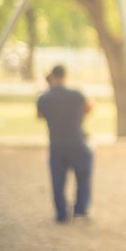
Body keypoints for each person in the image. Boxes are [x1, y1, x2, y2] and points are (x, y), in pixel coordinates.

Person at [37, 64, 94, 223]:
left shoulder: (44, 97)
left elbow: (39, 115)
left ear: (52, 77)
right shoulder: (75, 94)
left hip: (56, 143)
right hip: (77, 141)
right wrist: (79, 118)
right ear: (64, 76)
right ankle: (80, 209)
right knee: (83, 176)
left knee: (58, 180)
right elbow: (89, 106)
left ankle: (61, 213)